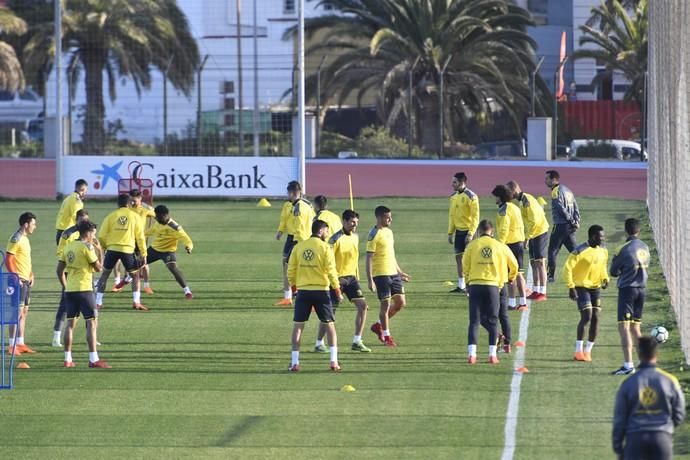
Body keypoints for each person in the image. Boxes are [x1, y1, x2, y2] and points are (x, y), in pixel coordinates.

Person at [612, 336, 686, 459]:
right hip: (662, 439)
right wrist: (666, 429)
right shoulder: (670, 381)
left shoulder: (628, 384)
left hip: (635, 440)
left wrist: (618, 446)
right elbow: (679, 413)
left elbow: (620, 418)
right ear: (657, 354)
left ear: (639, 353)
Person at [287, 220, 342, 372]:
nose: (328, 233)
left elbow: (290, 270)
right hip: (322, 292)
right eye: (327, 230)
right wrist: (337, 289)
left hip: (303, 291)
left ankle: (295, 363)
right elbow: (331, 270)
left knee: (298, 326)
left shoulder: (299, 247)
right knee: (330, 324)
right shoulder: (325, 247)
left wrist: (293, 287)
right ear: (322, 230)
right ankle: (334, 361)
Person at [315, 210, 371, 353]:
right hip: (337, 280)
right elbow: (328, 261)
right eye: (352, 222)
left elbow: (354, 258)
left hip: (351, 279)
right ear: (344, 222)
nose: (355, 225)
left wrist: (356, 275)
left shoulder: (356, 237)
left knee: (363, 306)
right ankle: (319, 343)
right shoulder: (334, 240)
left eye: (356, 222)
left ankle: (357, 341)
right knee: (329, 313)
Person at [57, 221, 111, 368]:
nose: (94, 235)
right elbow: (99, 268)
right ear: (87, 232)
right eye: (93, 232)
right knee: (91, 323)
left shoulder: (68, 246)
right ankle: (93, 359)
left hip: (70, 291)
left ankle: (67, 359)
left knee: (70, 324)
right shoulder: (87, 247)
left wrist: (66, 286)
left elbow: (59, 270)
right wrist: (99, 250)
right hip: (85, 290)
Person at [463, 220, 518, 364]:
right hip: (493, 286)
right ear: (492, 231)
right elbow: (514, 264)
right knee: (493, 321)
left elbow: (465, 265)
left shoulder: (472, 245)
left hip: (475, 284)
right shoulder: (500, 246)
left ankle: (472, 355)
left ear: (479, 231)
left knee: (474, 321)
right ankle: (492, 355)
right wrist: (510, 278)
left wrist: (468, 281)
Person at [610, 218, 651, 375]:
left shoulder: (623, 248)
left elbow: (613, 271)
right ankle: (643, 361)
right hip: (642, 289)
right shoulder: (645, 246)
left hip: (628, 290)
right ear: (639, 231)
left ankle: (628, 365)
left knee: (624, 327)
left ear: (626, 231)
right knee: (636, 328)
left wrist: (623, 272)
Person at [94, 193, 148, 311]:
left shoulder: (111, 216)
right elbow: (140, 237)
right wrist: (143, 253)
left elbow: (102, 235)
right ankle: (136, 302)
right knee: (135, 276)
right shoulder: (135, 216)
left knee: (104, 275)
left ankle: (98, 302)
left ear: (118, 204)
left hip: (112, 249)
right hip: (128, 250)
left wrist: (105, 246)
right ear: (130, 203)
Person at [563, 225, 609, 362]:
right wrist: (571, 287)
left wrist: (605, 278)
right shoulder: (580, 251)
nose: (603, 238)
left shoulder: (603, 250)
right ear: (593, 237)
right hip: (581, 287)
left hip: (596, 288)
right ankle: (578, 351)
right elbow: (567, 269)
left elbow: (603, 266)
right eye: (600, 236)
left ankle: (588, 351)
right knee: (587, 316)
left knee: (596, 317)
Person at [367, 205, 410, 347]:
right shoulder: (374, 234)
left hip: (393, 273)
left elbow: (391, 254)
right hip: (381, 274)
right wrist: (370, 279)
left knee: (400, 303)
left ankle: (378, 325)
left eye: (390, 216)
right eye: (387, 217)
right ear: (379, 218)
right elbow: (369, 258)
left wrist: (399, 271)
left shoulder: (389, 232)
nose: (390, 219)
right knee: (385, 305)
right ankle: (386, 336)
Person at [53, 209, 98, 347]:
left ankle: (92, 338)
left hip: (85, 273)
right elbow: (61, 252)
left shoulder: (88, 234)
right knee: (64, 305)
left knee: (90, 308)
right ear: (76, 219)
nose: (85, 223)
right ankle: (56, 335)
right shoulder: (67, 234)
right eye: (82, 220)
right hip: (70, 272)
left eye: (86, 220)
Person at [506, 180, 550, 301]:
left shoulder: (526, 201)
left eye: (508, 192)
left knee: (540, 262)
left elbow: (534, 221)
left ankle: (543, 291)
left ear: (514, 190)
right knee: (533, 263)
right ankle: (536, 290)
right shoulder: (522, 200)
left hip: (539, 232)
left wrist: (527, 238)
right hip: (533, 233)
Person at [275, 181, 315, 306]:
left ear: (292, 193)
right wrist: (280, 231)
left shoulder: (298, 207)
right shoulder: (304, 205)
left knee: (292, 267)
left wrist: (299, 244)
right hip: (297, 238)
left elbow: (300, 226)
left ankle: (292, 296)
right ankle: (292, 293)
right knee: (288, 265)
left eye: (288, 193)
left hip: (298, 239)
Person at [143, 205, 194, 299]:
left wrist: (188, 247)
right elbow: (151, 231)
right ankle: (126, 280)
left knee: (173, 268)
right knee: (137, 264)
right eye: (156, 217)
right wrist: (140, 234)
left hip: (168, 252)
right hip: (154, 249)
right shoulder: (158, 223)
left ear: (165, 215)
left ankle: (187, 291)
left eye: (158, 217)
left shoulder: (175, 227)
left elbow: (187, 239)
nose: (156, 219)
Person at [112, 189, 157, 293]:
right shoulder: (128, 209)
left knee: (144, 262)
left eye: (134, 200)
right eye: (130, 200)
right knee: (121, 260)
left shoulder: (144, 210)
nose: (132, 202)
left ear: (140, 199)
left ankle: (146, 285)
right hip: (127, 239)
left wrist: (150, 208)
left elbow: (157, 215)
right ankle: (119, 282)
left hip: (140, 240)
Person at [5, 212, 37, 356]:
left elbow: (25, 259)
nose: (35, 227)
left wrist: (31, 274)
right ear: (26, 224)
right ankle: (11, 345)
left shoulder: (26, 239)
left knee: (24, 312)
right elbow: (9, 259)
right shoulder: (16, 238)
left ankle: (20, 343)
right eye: (33, 224)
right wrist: (14, 276)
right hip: (17, 281)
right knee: (16, 313)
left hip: (26, 280)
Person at [491, 185, 527, 310]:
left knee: (511, 274)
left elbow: (504, 229)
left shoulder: (503, 210)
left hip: (509, 244)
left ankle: (512, 303)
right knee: (519, 273)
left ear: (500, 197)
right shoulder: (514, 207)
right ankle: (522, 302)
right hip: (519, 242)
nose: (494, 199)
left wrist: (499, 245)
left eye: (495, 196)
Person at [545, 170, 580, 282]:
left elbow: (560, 208)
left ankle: (550, 276)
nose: (545, 181)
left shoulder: (555, 191)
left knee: (552, 251)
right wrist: (576, 221)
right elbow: (575, 207)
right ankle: (583, 270)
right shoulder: (568, 190)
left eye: (547, 179)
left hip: (560, 226)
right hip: (570, 227)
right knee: (575, 251)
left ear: (554, 179)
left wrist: (570, 219)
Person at [447, 172, 479, 293]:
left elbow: (476, 217)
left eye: (454, 182)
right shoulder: (453, 197)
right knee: (458, 259)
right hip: (459, 233)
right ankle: (461, 285)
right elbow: (452, 216)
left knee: (471, 259)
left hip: (469, 233)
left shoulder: (471, 196)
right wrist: (450, 232)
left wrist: (471, 233)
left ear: (462, 183)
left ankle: (472, 285)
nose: (452, 184)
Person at [54, 179, 87, 245]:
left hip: (61, 232)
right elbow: (77, 217)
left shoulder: (68, 198)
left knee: (62, 254)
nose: (85, 193)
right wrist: (85, 229)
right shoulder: (76, 200)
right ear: (82, 189)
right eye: (84, 191)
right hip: (69, 233)